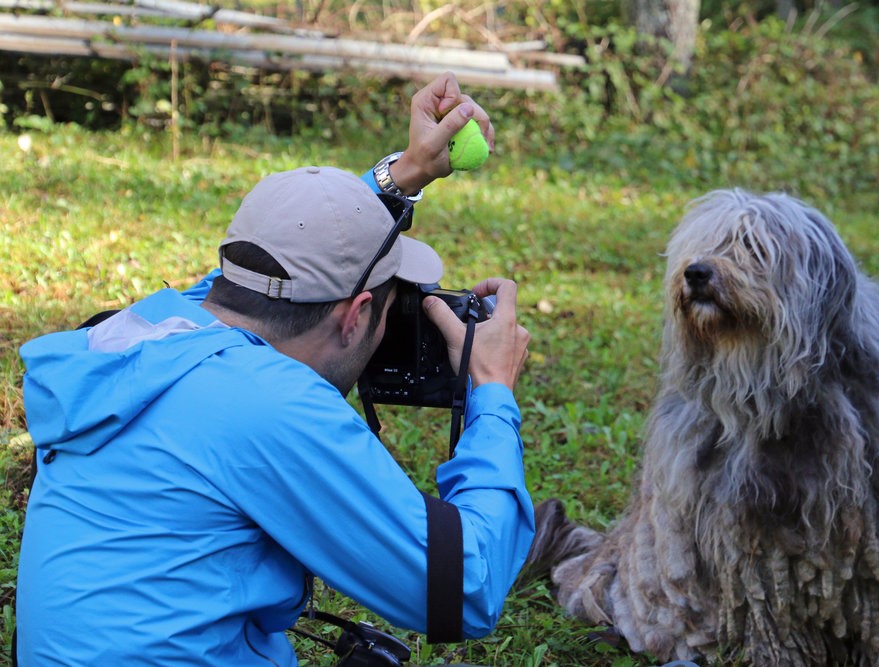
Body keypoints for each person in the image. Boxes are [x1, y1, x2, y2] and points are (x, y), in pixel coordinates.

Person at [15, 72, 534, 665]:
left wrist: (404, 172)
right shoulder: (269, 405)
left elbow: (280, 262)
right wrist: (492, 391)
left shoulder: (142, 331)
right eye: (394, 304)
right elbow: (465, 588)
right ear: (356, 313)